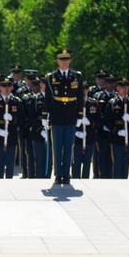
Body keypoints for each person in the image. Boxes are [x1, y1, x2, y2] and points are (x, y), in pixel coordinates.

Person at [45, 48, 84, 185]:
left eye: (66, 59)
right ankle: (57, 174)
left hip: (71, 113)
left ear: (70, 60)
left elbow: (80, 96)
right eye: (62, 59)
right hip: (57, 113)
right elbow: (48, 97)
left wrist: (80, 115)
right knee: (57, 145)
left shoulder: (76, 76)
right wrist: (45, 115)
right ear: (57, 61)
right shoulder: (52, 76)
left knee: (69, 145)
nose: (64, 62)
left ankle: (66, 174)